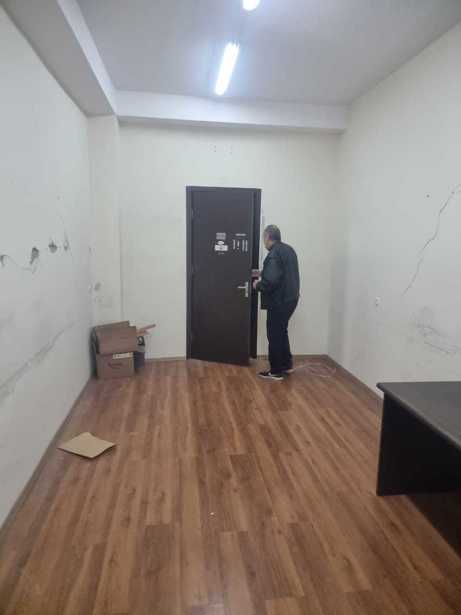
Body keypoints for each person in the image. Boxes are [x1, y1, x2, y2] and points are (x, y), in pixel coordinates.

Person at [253, 225, 300, 381]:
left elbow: (270, 282)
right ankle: (287, 364)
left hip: (279, 302)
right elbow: (282, 273)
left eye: (263, 238)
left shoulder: (273, 254)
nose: (264, 242)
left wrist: (257, 285)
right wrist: (263, 272)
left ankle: (276, 371)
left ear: (268, 237)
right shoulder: (288, 250)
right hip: (291, 299)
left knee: (274, 334)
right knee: (281, 332)